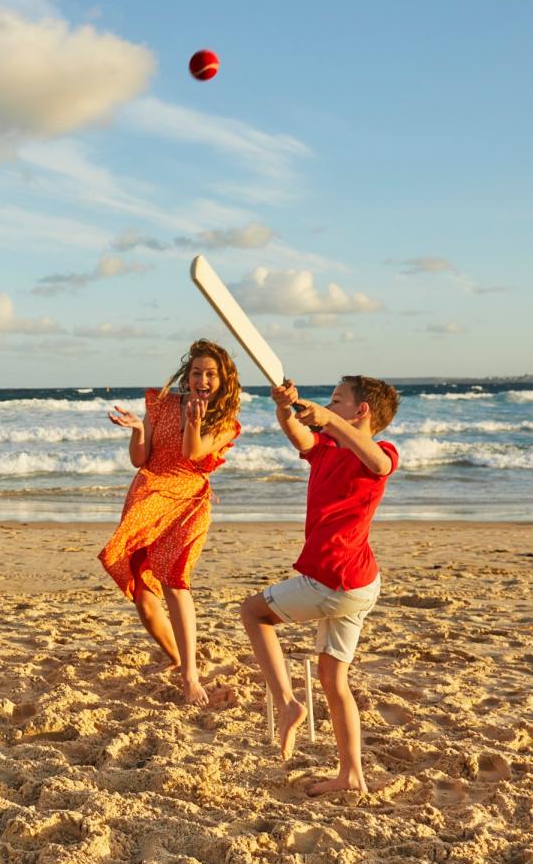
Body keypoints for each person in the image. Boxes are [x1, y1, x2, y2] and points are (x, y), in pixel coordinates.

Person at [240, 375, 400, 795]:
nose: (328, 404)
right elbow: (299, 434)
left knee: (253, 612)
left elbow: (380, 466)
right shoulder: (326, 449)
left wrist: (327, 418)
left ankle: (288, 703)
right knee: (333, 679)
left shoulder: (379, 454)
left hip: (336, 581)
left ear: (360, 411)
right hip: (360, 584)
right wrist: (285, 407)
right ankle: (351, 775)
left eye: (337, 399)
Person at [99, 339, 241, 706]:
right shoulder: (161, 404)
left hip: (188, 502)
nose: (203, 379)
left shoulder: (226, 423)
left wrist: (194, 420)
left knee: (176, 580)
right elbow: (140, 458)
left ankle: (190, 675)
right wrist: (137, 430)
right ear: (187, 375)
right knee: (144, 598)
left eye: (211, 374)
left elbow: (192, 452)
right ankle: (178, 659)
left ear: (223, 380)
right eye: (197, 372)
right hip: (148, 496)